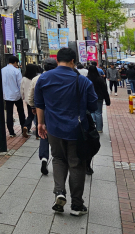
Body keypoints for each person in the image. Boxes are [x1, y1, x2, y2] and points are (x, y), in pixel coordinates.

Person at [34, 47, 98, 217]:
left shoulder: (44, 78)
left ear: (57, 61)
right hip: (78, 130)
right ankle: (77, 205)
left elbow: (39, 103)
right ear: (73, 62)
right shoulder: (83, 81)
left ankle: (59, 193)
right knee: (77, 164)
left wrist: (41, 124)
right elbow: (93, 105)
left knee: (58, 159)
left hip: (54, 128)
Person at [28, 58, 57, 175]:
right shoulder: (58, 78)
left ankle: (44, 157)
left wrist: (33, 107)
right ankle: (58, 156)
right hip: (55, 111)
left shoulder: (36, 79)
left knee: (43, 134)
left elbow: (30, 96)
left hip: (40, 110)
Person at [1, 56, 27, 138]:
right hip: (16, 94)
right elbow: (20, 84)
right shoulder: (16, 71)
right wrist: (23, 94)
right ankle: (24, 128)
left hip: (6, 95)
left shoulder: (2, 70)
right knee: (21, 112)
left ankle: (11, 131)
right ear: (15, 62)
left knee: (9, 113)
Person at [87, 65, 110, 135]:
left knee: (91, 112)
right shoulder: (100, 79)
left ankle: (92, 126)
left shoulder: (86, 79)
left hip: (89, 98)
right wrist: (107, 100)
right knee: (98, 113)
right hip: (99, 97)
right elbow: (104, 90)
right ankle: (99, 129)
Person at [22, 64, 39, 136]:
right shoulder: (36, 78)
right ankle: (38, 133)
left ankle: (26, 127)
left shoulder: (24, 79)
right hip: (36, 99)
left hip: (28, 100)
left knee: (30, 115)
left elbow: (21, 90)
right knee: (38, 116)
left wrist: (23, 97)